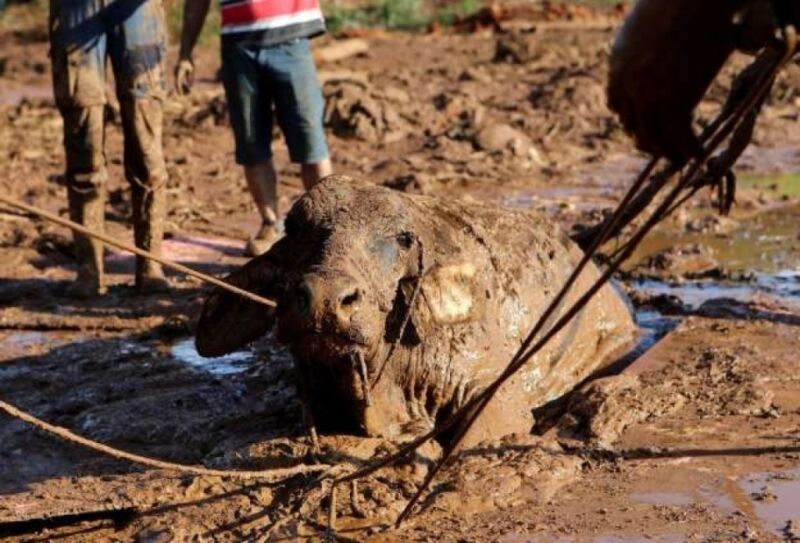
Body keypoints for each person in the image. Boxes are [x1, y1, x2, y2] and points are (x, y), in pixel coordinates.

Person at [176, 0, 333, 256]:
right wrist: (185, 52)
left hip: (290, 39)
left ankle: (327, 226)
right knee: (251, 141)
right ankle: (271, 223)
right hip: (239, 46)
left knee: (310, 140)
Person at [49, 0, 169, 296]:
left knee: (147, 148)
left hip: (138, 12)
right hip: (75, 10)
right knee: (83, 145)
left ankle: (151, 264)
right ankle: (89, 269)